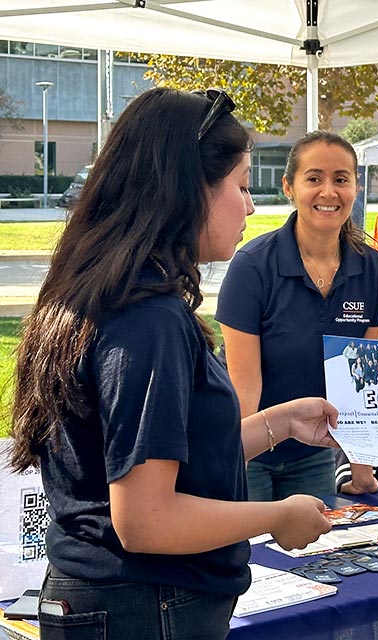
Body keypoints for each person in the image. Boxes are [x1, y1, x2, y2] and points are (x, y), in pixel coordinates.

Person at [7, 87, 339, 639]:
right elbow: (146, 519)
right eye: (239, 185)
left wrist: (277, 424)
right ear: (187, 191)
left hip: (125, 600)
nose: (251, 206)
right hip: (144, 604)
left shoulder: (116, 298)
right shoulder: (147, 320)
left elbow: (169, 460)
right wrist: (277, 514)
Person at [216, 130, 378, 500]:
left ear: (356, 187)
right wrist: (230, 468)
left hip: (313, 453)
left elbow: (361, 381)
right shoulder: (252, 267)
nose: (329, 192)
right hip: (249, 450)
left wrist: (363, 473)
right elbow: (244, 392)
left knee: (316, 556)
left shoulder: (372, 267)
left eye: (341, 179)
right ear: (288, 187)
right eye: (314, 179)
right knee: (253, 554)